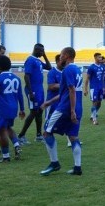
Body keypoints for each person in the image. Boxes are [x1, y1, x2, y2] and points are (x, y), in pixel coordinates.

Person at [40, 47, 84, 176]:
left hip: (65, 108)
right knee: (73, 136)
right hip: (78, 107)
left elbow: (71, 90)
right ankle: (77, 168)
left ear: (68, 55)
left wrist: (71, 111)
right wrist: (49, 102)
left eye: (62, 54)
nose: (60, 56)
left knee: (47, 132)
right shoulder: (78, 70)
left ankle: (54, 163)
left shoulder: (67, 70)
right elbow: (66, 92)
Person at [18, 43, 52, 144]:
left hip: (39, 90)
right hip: (33, 90)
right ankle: (21, 135)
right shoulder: (30, 60)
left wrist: (44, 55)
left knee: (40, 111)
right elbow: (26, 76)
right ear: (36, 50)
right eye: (41, 51)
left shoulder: (38, 60)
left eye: (43, 51)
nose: (42, 53)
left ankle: (38, 135)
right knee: (33, 112)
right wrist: (31, 92)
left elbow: (49, 67)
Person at [83, 52, 104, 125]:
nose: (100, 58)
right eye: (99, 57)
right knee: (94, 103)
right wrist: (85, 89)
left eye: (101, 57)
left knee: (99, 103)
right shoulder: (91, 67)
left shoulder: (101, 67)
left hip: (100, 88)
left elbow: (102, 78)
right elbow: (87, 79)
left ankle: (92, 115)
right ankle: (94, 119)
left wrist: (103, 87)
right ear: (95, 58)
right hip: (94, 88)